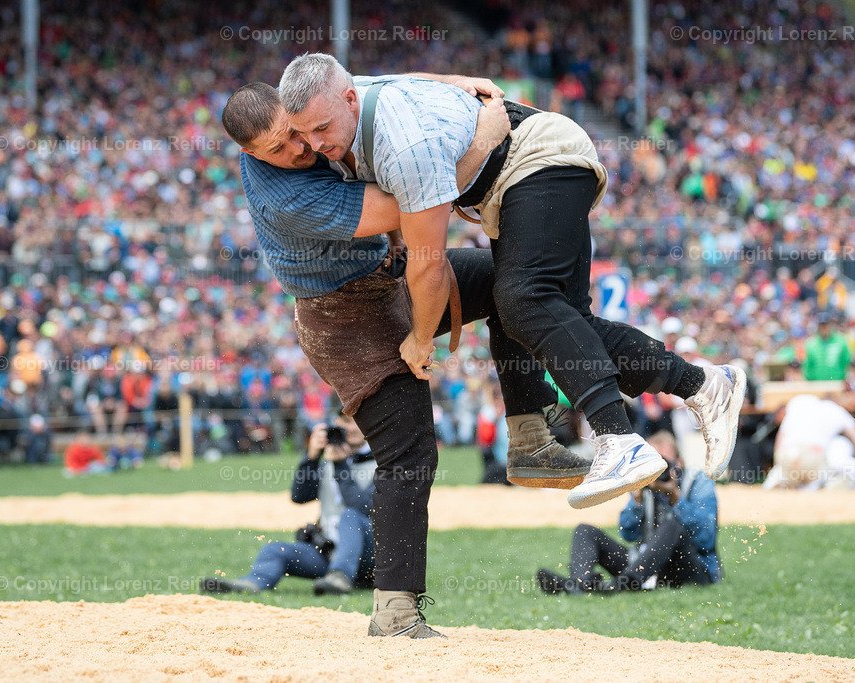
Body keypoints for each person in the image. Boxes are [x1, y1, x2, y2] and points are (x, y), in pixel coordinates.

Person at [278, 53, 746, 513]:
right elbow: (401, 76)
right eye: (303, 133)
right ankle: (703, 385)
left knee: (522, 298)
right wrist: (457, 78)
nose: (315, 144)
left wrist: (421, 339)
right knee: (563, 324)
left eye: (323, 128)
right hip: (510, 184)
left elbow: (429, 264)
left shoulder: (403, 147)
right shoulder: (343, 96)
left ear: (349, 100)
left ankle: (618, 438)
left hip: (539, 158)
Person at [221, 75, 588, 638]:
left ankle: (530, 438)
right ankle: (394, 614)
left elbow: (374, 82)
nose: (300, 149)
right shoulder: (289, 194)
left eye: (297, 134)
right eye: (278, 147)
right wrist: (481, 137)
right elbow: (418, 199)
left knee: (516, 287)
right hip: (343, 318)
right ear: (249, 154)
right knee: (409, 453)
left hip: (381, 279)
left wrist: (458, 84)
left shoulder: (312, 122)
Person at [201, 415, 376, 596]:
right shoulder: (330, 462)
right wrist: (311, 457)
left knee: (350, 515)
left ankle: (341, 577)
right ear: (336, 425)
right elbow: (299, 496)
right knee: (275, 550)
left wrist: (340, 465)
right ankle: (252, 583)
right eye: (346, 422)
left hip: (371, 555)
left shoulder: (383, 463)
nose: (352, 428)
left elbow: (363, 507)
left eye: (357, 421)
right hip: (330, 553)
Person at [536, 431, 721, 594]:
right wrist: (636, 501)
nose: (658, 472)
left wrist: (676, 498)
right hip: (646, 564)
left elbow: (706, 538)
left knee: (672, 525)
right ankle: (579, 584)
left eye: (664, 463)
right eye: (653, 465)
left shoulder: (698, 482)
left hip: (689, 566)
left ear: (678, 464)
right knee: (585, 531)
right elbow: (628, 534)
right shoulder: (644, 483)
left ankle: (623, 583)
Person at [762, 394, 855, 490]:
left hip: (786, 458)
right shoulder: (837, 411)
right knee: (836, 458)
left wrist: (779, 463)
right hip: (812, 458)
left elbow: (780, 442)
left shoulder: (800, 405)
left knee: (789, 473)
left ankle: (778, 485)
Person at [803, 312, 853, 381]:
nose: (824, 327)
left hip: (837, 382)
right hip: (817, 384)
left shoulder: (841, 341)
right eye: (822, 325)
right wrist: (811, 381)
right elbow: (807, 367)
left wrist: (843, 378)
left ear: (831, 325)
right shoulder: (811, 344)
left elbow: (846, 362)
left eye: (826, 324)